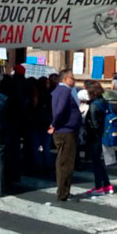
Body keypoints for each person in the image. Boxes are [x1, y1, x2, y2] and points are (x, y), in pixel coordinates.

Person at [50, 69, 82, 202]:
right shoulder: (64, 91)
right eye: (72, 78)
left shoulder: (59, 90)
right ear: (64, 79)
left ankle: (64, 190)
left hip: (64, 130)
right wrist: (54, 124)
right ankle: (63, 192)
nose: (74, 80)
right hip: (66, 131)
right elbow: (60, 110)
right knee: (66, 163)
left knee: (63, 161)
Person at [84, 83, 113, 195]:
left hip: (95, 137)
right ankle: (107, 185)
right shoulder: (105, 102)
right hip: (105, 135)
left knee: (96, 162)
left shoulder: (93, 105)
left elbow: (93, 124)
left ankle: (99, 187)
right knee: (100, 162)